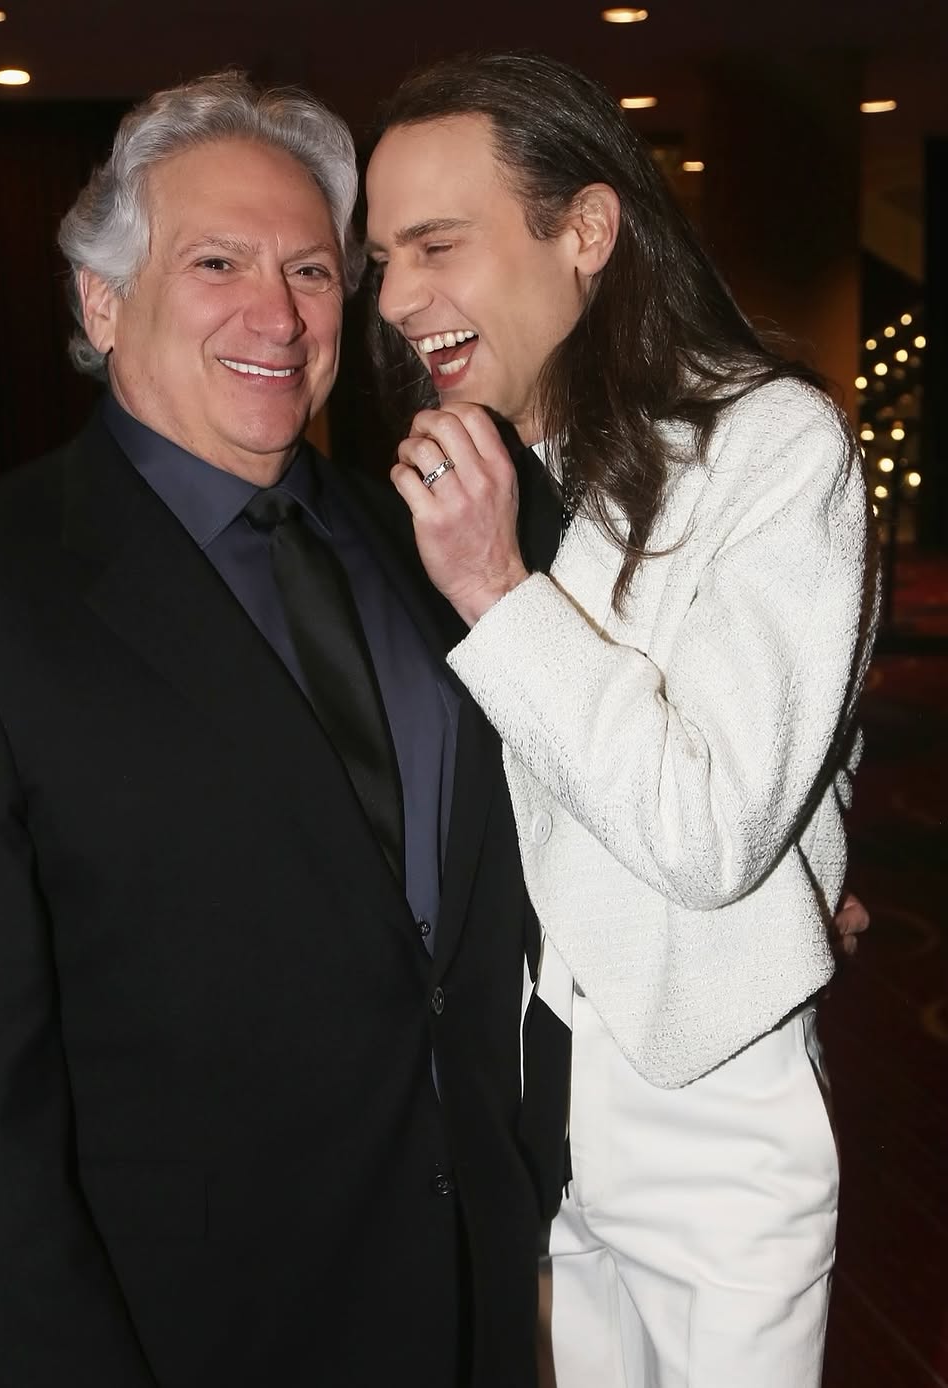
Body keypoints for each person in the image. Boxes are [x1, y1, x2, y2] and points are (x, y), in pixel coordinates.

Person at [0, 71, 564, 1388]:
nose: (277, 313)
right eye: (216, 262)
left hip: (471, 1304)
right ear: (101, 300)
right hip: (188, 1335)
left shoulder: (432, 535)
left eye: (311, 270)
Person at [364, 51, 878, 1388]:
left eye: (437, 246)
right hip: (517, 1109)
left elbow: (712, 831)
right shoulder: (473, 466)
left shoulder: (773, 445)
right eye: (382, 259)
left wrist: (495, 590)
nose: (398, 299)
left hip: (700, 1108)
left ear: (585, 230)